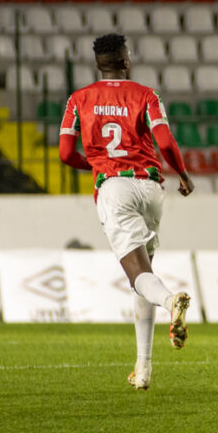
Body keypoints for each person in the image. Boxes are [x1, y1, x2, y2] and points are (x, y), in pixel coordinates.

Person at [59, 33, 194, 391]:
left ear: (98, 63)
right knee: (143, 276)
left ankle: (171, 301)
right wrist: (182, 173)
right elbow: (164, 141)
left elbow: (63, 153)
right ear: (126, 60)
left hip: (114, 187)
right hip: (151, 188)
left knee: (139, 277)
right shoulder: (146, 95)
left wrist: (94, 165)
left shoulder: (79, 99)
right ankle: (143, 369)